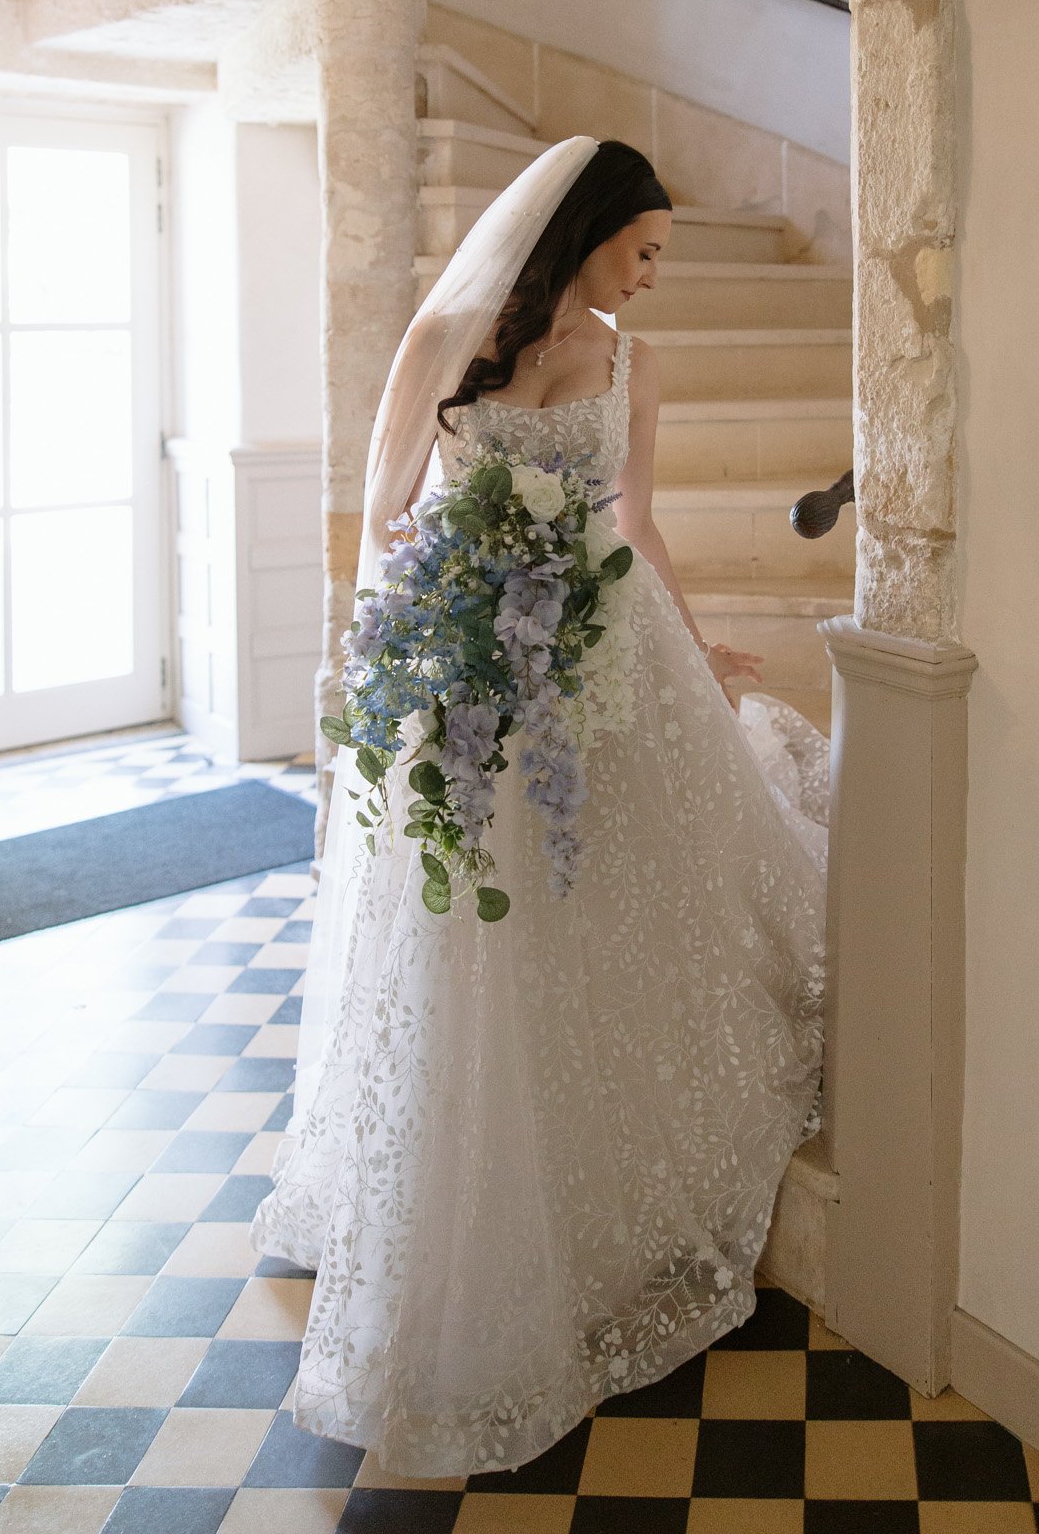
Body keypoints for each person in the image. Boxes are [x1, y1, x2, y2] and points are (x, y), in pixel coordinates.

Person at [250, 136, 827, 1477]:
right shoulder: (448, 333)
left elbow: (635, 520)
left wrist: (692, 639)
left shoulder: (633, 359)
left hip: (599, 659)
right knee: (474, 931)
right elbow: (386, 513)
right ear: (587, 227)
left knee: (615, 894)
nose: (651, 274)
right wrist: (438, 622)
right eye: (642, 248)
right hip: (466, 667)